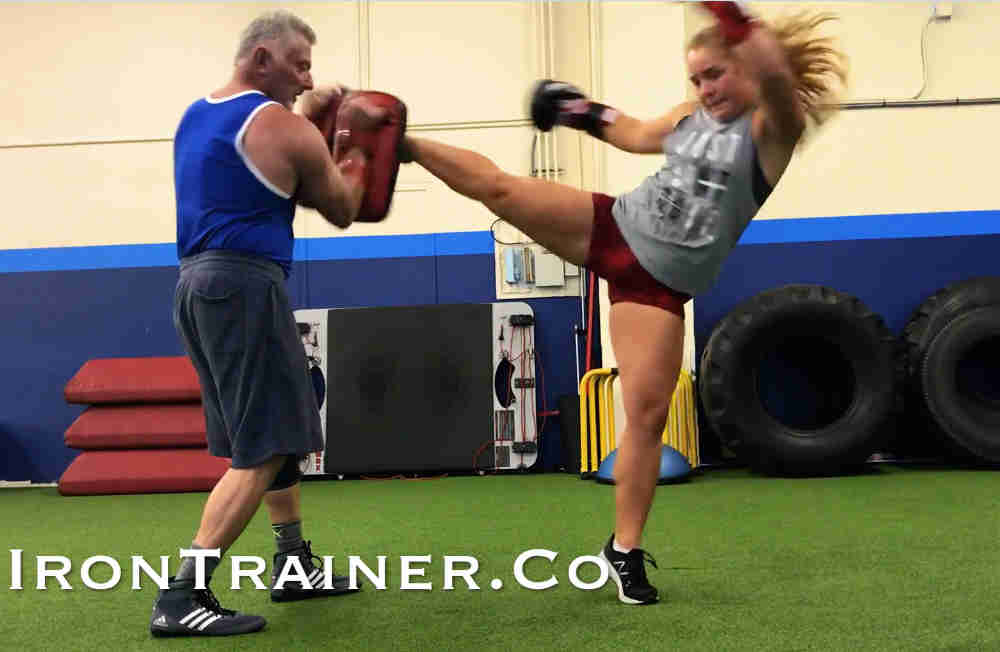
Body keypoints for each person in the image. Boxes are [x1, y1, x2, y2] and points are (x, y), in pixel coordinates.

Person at [401, 4, 847, 605]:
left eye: (714, 74)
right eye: (695, 78)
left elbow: (772, 75)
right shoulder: (693, 116)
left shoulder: (773, 130)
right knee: (501, 190)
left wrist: (739, 23)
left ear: (746, 67)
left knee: (643, 417)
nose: (703, 89)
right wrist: (574, 108)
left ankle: (624, 550)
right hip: (613, 226)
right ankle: (401, 144)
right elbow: (635, 135)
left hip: (657, 288)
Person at [151, 10, 379, 637]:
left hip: (197, 286)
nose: (308, 79)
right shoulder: (285, 128)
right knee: (270, 441)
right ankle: (182, 594)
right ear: (261, 59)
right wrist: (355, 151)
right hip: (244, 285)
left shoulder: (198, 114)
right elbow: (342, 208)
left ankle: (293, 564)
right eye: (299, 64)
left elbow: (268, 173)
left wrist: (314, 130)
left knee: (272, 430)